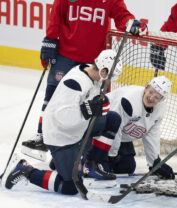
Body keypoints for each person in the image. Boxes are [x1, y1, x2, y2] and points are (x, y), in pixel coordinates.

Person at [21, 0, 148, 160]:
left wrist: (131, 23)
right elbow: (57, 14)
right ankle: (42, 136)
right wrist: (50, 40)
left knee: (91, 103)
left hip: (95, 61)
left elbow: (121, 16)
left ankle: (81, 144)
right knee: (52, 94)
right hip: (65, 54)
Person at [4, 50, 123, 195]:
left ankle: (89, 165)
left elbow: (91, 104)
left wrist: (100, 105)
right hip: (60, 135)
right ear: (103, 71)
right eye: (109, 75)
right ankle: (26, 170)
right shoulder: (75, 83)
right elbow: (65, 118)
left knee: (112, 118)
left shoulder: (93, 74)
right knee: (71, 187)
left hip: (78, 130)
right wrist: (89, 109)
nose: (109, 80)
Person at [103, 76, 175, 179]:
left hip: (121, 138)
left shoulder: (160, 110)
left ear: (161, 100)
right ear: (146, 88)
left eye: (157, 97)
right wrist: (111, 156)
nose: (151, 98)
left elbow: (152, 135)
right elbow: (115, 128)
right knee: (101, 167)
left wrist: (154, 163)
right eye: (151, 92)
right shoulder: (129, 100)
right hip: (101, 132)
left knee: (127, 167)